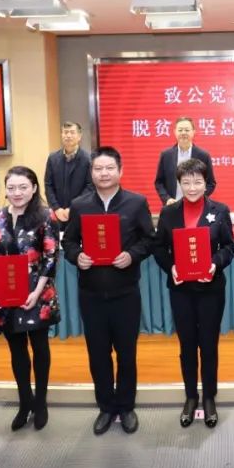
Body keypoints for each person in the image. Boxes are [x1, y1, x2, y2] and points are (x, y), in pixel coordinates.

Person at [64, 146, 155, 435]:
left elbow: (149, 239)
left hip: (125, 293)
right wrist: (77, 256)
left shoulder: (136, 203)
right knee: (98, 354)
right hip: (91, 294)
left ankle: (126, 406)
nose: (104, 174)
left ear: (120, 171)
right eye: (98, 169)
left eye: (109, 168)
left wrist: (132, 255)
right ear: (91, 173)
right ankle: (105, 407)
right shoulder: (79, 205)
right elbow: (68, 242)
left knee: (127, 353)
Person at [152, 159, 234, 428]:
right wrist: (172, 267)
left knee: (209, 345)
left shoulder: (219, 211)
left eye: (197, 182)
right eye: (186, 182)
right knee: (187, 345)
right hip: (181, 290)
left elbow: (229, 247)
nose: (192, 187)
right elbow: (159, 248)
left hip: (211, 289)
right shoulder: (169, 213)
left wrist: (215, 264)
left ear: (206, 183)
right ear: (179, 183)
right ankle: (190, 396)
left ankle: (209, 396)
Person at [0, 166, 60, 432]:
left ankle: (41, 403)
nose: (17, 193)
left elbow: (51, 258)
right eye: (11, 187)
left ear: (34, 188)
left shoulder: (45, 217)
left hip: (37, 294)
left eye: (23, 187)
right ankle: (25, 402)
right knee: (17, 351)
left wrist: (36, 293)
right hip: (4, 296)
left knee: (40, 348)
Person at [44, 121, 94, 233]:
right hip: (58, 213)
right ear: (61, 135)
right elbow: (48, 185)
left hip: (80, 211)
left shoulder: (88, 159)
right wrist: (56, 208)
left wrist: (72, 208)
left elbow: (90, 187)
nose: (68, 135)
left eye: (72, 132)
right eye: (65, 132)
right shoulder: (53, 158)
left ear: (79, 136)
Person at [154, 117, 216, 206]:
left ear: (193, 132)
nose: (183, 133)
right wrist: (167, 199)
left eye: (187, 130)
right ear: (175, 132)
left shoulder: (203, 155)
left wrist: (198, 198)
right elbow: (159, 182)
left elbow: (211, 183)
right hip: (172, 205)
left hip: (196, 205)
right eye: (180, 130)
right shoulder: (166, 155)